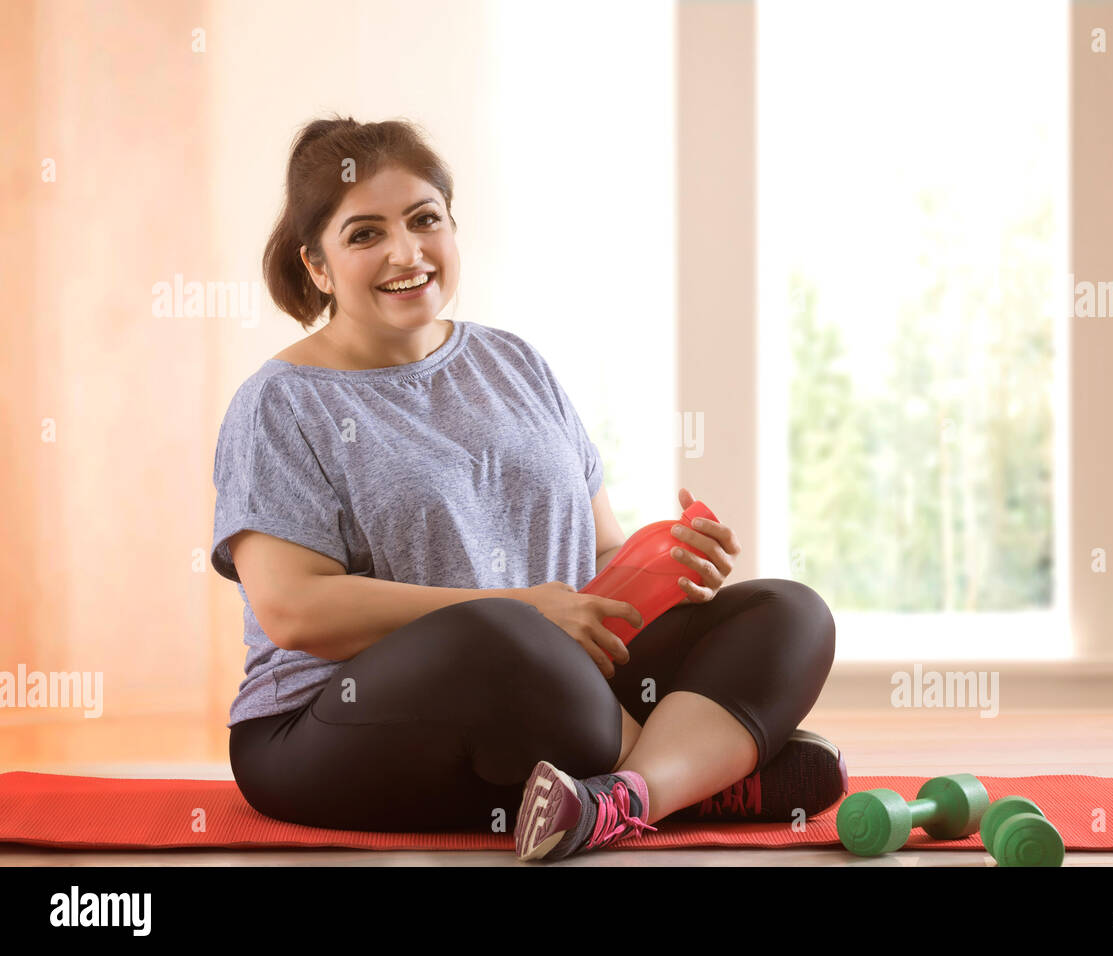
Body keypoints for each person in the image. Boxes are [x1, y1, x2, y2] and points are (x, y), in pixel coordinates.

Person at [214, 114, 844, 863]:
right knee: (503, 636)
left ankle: (624, 798)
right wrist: (522, 609)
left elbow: (598, 561)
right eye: (365, 234)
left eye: (425, 220)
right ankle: (708, 772)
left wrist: (664, 562)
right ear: (316, 265)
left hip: (554, 694)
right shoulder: (281, 403)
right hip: (325, 733)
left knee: (787, 611)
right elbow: (294, 610)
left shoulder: (513, 362)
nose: (406, 253)